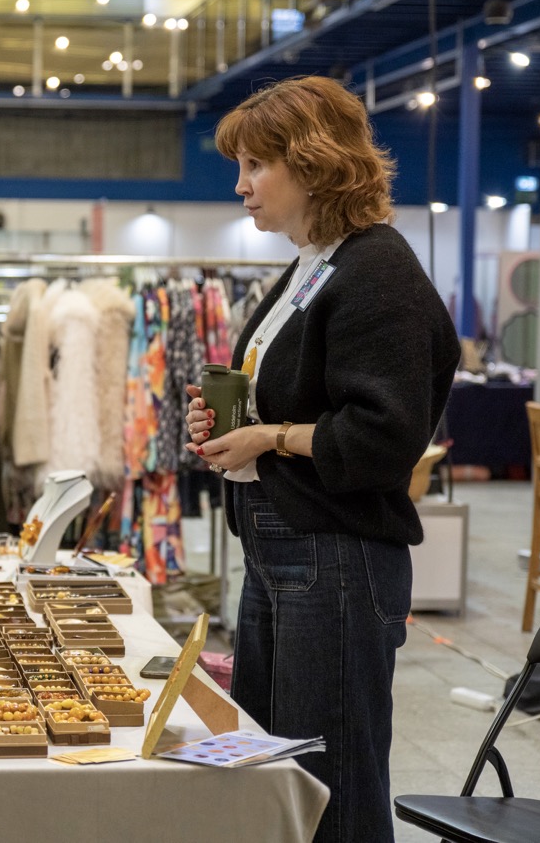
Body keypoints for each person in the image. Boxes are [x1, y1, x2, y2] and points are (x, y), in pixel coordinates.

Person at [184, 76, 459, 843]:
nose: (240, 185)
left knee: (330, 786)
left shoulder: (377, 271)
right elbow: (303, 395)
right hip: (284, 552)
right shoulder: (316, 262)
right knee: (279, 773)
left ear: (312, 163)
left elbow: (383, 435)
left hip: (334, 555)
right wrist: (231, 422)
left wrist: (268, 438)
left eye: (255, 166)